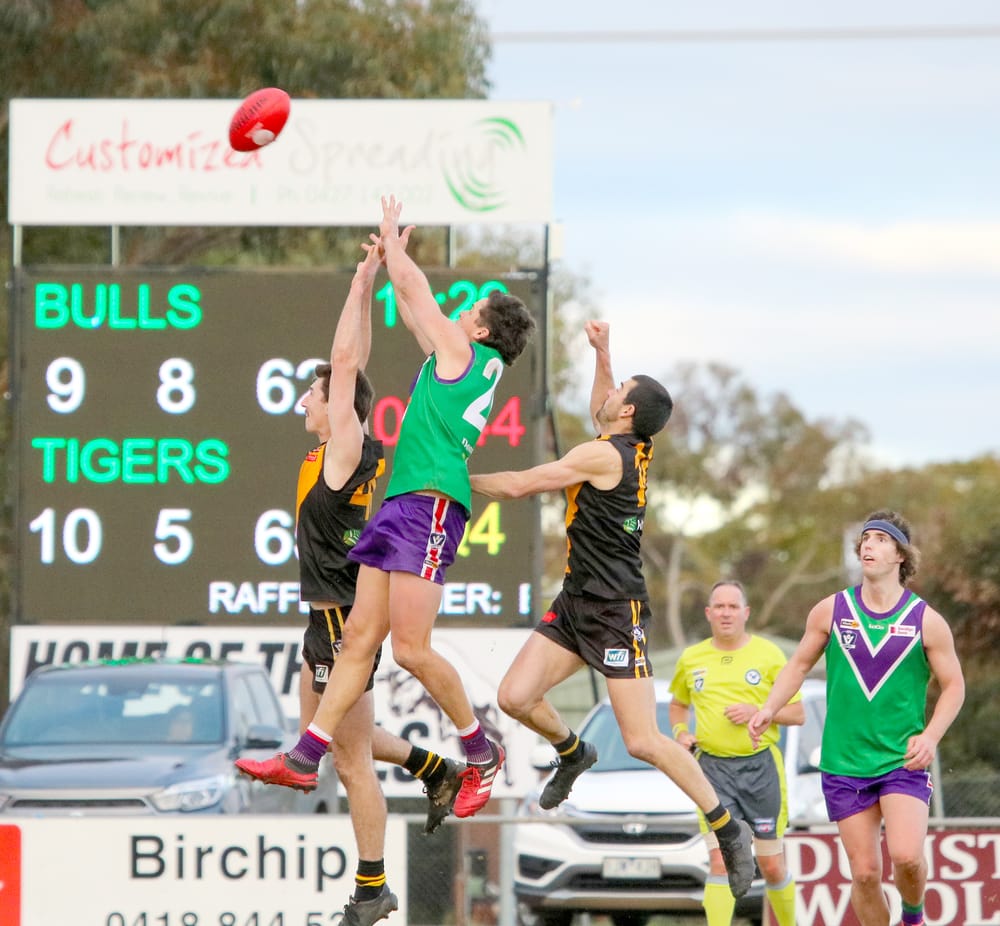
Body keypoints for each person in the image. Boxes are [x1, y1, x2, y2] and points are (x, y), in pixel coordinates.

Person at [239, 195, 536, 829]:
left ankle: (480, 750)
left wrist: (395, 250)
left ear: (481, 332)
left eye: (470, 310)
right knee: (360, 642)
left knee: (411, 650)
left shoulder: (471, 360)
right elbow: (413, 308)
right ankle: (305, 753)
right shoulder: (455, 360)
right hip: (401, 509)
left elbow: (418, 293)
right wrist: (378, 269)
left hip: (429, 506)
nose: (457, 313)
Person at [469, 320, 756, 901]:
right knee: (514, 698)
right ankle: (574, 753)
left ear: (627, 414)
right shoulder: (630, 441)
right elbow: (604, 408)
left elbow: (523, 485)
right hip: (577, 601)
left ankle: (728, 828)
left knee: (646, 739)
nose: (609, 393)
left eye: (619, 387)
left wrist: (451, 478)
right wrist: (603, 352)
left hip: (614, 611)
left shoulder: (602, 458)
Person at [236, 239, 459, 926]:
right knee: (323, 737)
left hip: (343, 620)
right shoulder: (322, 452)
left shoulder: (345, 445)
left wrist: (363, 280)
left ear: (337, 405)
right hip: (320, 621)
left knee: (351, 764)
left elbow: (346, 363)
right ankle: (432, 767)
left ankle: (372, 889)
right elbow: (343, 368)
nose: (306, 396)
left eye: (315, 390)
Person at [748, 510, 966, 926]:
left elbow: (954, 686)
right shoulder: (831, 610)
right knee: (865, 874)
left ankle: (914, 916)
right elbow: (796, 666)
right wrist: (769, 708)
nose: (869, 545)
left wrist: (931, 736)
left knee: (905, 856)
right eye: (866, 538)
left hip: (902, 760)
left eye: (881, 540)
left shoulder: (926, 621)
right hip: (844, 761)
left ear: (901, 555)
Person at [668, 580, 803, 926]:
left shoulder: (769, 655)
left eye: (733, 606)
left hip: (760, 770)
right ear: (708, 613)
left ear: (746, 613)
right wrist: (681, 733)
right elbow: (678, 706)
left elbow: (797, 713)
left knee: (771, 864)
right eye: (720, 606)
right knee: (720, 860)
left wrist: (757, 710)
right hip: (711, 771)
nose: (726, 613)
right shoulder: (692, 658)